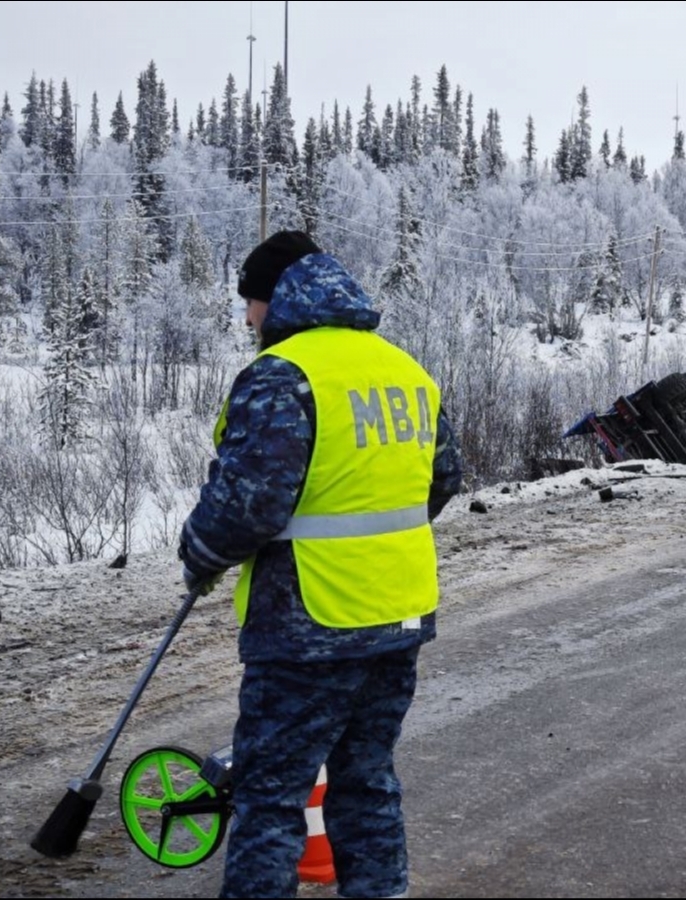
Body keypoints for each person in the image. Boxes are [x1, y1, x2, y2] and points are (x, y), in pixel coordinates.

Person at [178, 231, 466, 899]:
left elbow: (248, 505)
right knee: (366, 781)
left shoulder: (284, 374)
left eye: (248, 303)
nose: (248, 320)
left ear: (272, 299)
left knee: (271, 795)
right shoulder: (403, 369)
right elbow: (442, 478)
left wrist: (199, 553)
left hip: (308, 622)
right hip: (398, 613)